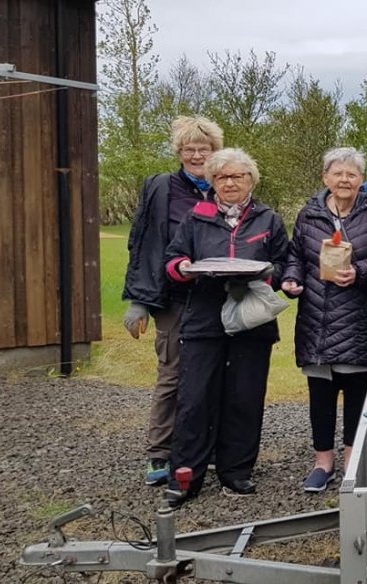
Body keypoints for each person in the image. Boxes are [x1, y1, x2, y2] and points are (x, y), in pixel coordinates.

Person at [161, 148, 289, 507]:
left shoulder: (269, 219)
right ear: (212, 181)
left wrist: (274, 274)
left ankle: (236, 470)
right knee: (195, 399)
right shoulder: (196, 218)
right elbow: (172, 260)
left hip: (251, 321)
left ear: (251, 180)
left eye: (238, 176)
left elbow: (284, 262)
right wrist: (184, 268)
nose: (230, 183)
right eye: (222, 177)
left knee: (244, 396)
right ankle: (186, 475)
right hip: (204, 319)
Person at [281, 147, 367, 493]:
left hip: (358, 320)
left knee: (357, 395)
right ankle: (322, 463)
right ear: (325, 178)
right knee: (320, 395)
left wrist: (360, 271)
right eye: (338, 173)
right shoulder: (309, 214)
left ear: (362, 180)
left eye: (352, 174)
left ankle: (351, 461)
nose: (345, 179)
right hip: (316, 320)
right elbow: (295, 255)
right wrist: (291, 279)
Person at [121, 115, 223, 487]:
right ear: (179, 152)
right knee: (172, 375)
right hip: (175, 299)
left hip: (214, 298)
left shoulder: (222, 187)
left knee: (212, 375)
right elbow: (144, 242)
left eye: (204, 149)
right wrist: (138, 300)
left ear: (215, 152)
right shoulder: (162, 188)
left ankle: (202, 448)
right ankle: (159, 452)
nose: (197, 155)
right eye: (190, 149)